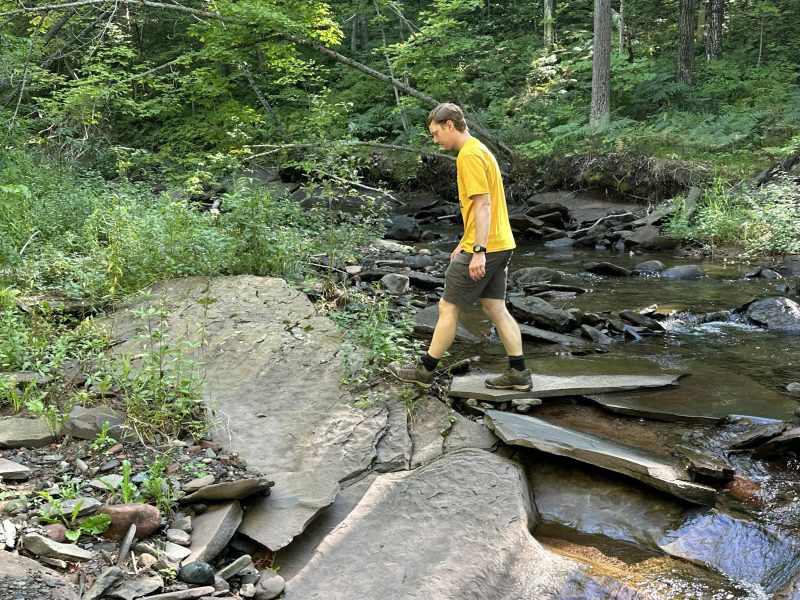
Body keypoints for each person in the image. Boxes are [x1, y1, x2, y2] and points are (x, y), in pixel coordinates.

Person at [388, 103, 532, 391]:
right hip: (501, 243)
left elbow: (483, 204)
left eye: (435, 133)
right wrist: (465, 242)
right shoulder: (480, 148)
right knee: (494, 307)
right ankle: (519, 374)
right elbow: (482, 205)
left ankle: (424, 370)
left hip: (487, 246)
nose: (435, 139)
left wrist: (477, 251)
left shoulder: (468, 156)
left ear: (449, 126)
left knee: (447, 307)